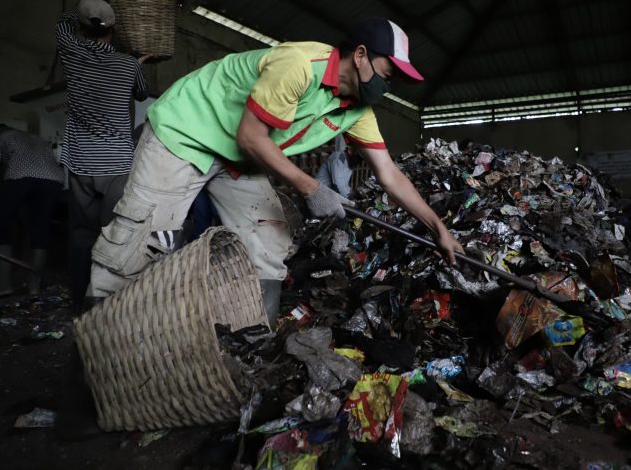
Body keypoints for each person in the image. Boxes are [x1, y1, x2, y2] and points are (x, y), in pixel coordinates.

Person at [87, 17, 464, 323]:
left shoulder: (357, 110)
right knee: (140, 242)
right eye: (389, 72)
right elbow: (252, 136)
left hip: (238, 160)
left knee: (268, 243)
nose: (389, 83)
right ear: (362, 55)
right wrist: (310, 188)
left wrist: (438, 228)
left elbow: (389, 173)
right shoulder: (299, 64)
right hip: (187, 134)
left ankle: (248, 336)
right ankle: (95, 360)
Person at [56, 0, 150, 312]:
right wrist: (136, 64)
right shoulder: (127, 64)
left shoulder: (72, 53)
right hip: (119, 164)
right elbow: (141, 93)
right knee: (116, 235)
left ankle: (80, 303)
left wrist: (80, 5)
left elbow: (62, 25)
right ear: (114, 28)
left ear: (83, 28)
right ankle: (112, 305)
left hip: (83, 162)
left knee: (82, 234)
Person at [0, 125, 64, 297]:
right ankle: (33, 287)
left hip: (21, 176)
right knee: (39, 230)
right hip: (54, 179)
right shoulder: (35, 138)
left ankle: (1, 285)